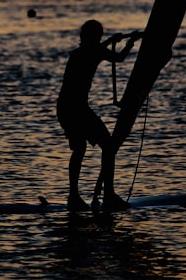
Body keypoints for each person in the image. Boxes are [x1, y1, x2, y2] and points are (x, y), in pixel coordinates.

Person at [57, 19, 140, 211]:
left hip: (66, 108)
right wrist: (130, 42)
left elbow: (94, 51)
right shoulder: (93, 51)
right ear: (93, 37)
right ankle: (107, 196)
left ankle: (74, 196)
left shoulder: (79, 53)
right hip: (75, 109)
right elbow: (118, 59)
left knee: (79, 149)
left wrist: (111, 41)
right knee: (108, 146)